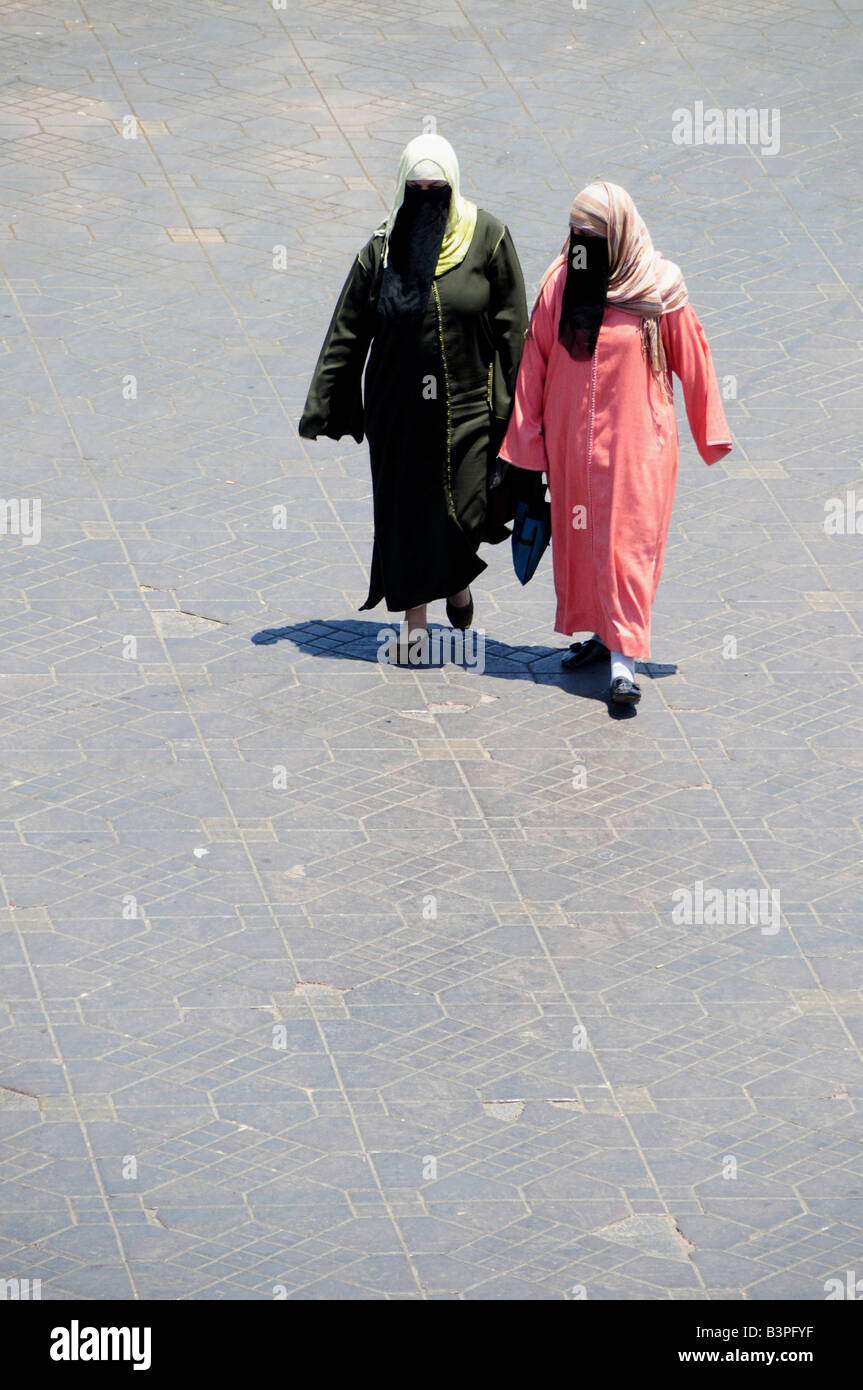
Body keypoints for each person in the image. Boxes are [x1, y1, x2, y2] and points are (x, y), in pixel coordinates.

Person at [499, 180, 732, 704]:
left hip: (636, 449)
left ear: (619, 234)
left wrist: (710, 431)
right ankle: (602, 639)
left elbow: (693, 360)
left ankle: (624, 664)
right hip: (571, 449)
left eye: (592, 235)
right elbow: (534, 363)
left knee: (626, 546)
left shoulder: (656, 289)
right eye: (576, 233)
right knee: (583, 544)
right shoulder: (562, 284)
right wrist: (525, 447)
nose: (581, 244)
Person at [299, 133, 528, 663]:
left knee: (466, 512)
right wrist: (325, 404)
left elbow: (514, 325)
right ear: (403, 186)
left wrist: (516, 406)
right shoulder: (383, 250)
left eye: (437, 187)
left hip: (470, 406)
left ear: (453, 185)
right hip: (399, 410)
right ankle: (414, 621)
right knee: (406, 511)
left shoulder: (488, 238)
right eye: (417, 187)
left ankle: (456, 583)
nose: (427, 195)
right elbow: (347, 331)